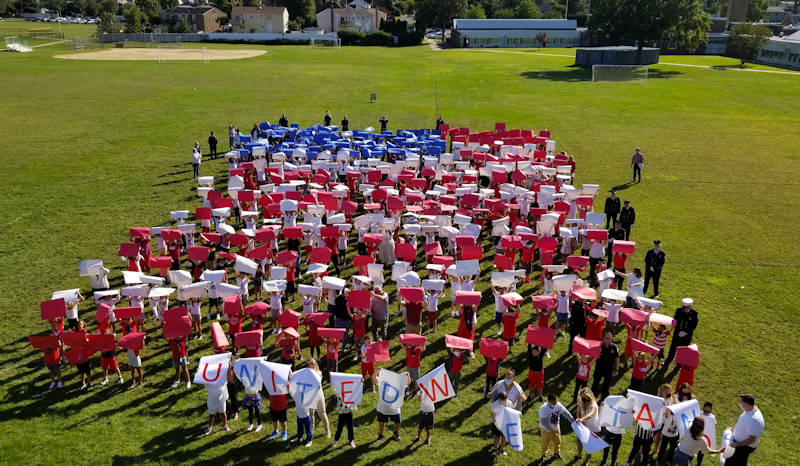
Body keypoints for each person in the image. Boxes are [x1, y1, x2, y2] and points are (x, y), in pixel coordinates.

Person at [726, 394, 764, 466]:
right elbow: (742, 422)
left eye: (741, 402)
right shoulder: (748, 410)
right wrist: (733, 428)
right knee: (728, 461)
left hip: (743, 447)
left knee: (737, 463)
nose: (740, 404)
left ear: (746, 404)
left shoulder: (754, 419)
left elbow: (751, 440)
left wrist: (736, 444)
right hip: (737, 443)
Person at [374, 371, 411, 442]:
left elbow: (407, 383)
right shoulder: (383, 382)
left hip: (394, 408)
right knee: (381, 422)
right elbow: (374, 378)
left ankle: (395, 434)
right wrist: (377, 370)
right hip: (383, 408)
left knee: (398, 421)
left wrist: (408, 375)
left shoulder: (398, 384)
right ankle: (380, 435)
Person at [538, 393, 575, 463]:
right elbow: (543, 422)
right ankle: (543, 456)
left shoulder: (558, 405)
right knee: (545, 443)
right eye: (553, 402)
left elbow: (566, 413)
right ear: (549, 402)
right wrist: (551, 430)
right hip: (546, 429)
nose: (555, 403)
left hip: (556, 427)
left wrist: (573, 421)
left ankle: (556, 453)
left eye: (556, 401)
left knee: (557, 441)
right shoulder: (543, 409)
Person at [663, 298, 698, 369]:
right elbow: (675, 321)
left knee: (683, 350)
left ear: (690, 306)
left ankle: (679, 364)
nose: (684, 308)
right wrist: (671, 330)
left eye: (686, 307)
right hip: (677, 333)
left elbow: (694, 325)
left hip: (687, 335)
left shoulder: (694, 313)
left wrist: (686, 332)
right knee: (672, 348)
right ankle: (667, 363)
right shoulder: (679, 310)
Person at [574, 388, 600, 465]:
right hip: (582, 426)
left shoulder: (593, 405)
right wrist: (579, 418)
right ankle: (579, 454)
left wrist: (582, 419)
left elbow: (590, 415)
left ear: (589, 396)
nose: (584, 399)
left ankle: (587, 459)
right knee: (579, 441)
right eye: (582, 397)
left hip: (592, 427)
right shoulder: (580, 401)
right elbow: (578, 412)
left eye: (586, 397)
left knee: (589, 445)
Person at [591, 330, 619, 401]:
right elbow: (592, 354)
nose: (608, 340)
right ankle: (592, 396)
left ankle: (603, 399)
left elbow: (616, 359)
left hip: (609, 369)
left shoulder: (614, 347)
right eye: (606, 338)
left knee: (606, 385)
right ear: (604, 338)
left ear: (612, 339)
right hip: (599, 368)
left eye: (609, 338)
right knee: (595, 383)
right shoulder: (599, 345)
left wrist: (616, 369)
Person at [205, 368, 230, 435]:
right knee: (211, 415)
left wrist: (229, 367)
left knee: (223, 414)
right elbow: (200, 384)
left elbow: (229, 377)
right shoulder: (209, 381)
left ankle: (225, 425)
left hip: (221, 401)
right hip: (211, 401)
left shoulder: (223, 380)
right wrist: (198, 374)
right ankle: (209, 428)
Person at [694, 402, 716, 466]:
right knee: (693, 447)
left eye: (709, 409)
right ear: (703, 408)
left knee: (701, 451)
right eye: (706, 408)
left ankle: (698, 463)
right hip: (697, 434)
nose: (707, 410)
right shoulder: (699, 413)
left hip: (704, 438)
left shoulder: (712, 417)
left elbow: (712, 429)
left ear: (711, 410)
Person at [491, 392, 511, 456]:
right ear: (499, 399)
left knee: (504, 437)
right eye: (502, 400)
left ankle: (502, 448)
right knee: (496, 437)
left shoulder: (509, 403)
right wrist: (495, 422)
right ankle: (495, 449)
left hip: (505, 424)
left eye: (504, 400)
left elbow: (510, 412)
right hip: (497, 424)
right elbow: (492, 414)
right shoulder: (495, 405)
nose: (503, 402)